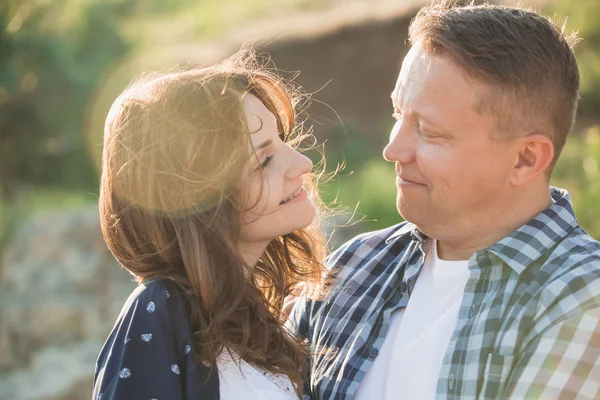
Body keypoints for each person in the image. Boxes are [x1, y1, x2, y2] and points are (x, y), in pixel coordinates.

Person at [290, 2, 600, 399]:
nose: (392, 149)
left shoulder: (582, 301)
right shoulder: (352, 268)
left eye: (430, 132)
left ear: (525, 159)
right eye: (396, 114)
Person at [93, 48, 328, 400]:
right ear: (196, 201)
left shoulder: (269, 332)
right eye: (264, 161)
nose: (302, 164)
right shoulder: (160, 309)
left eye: (284, 141)